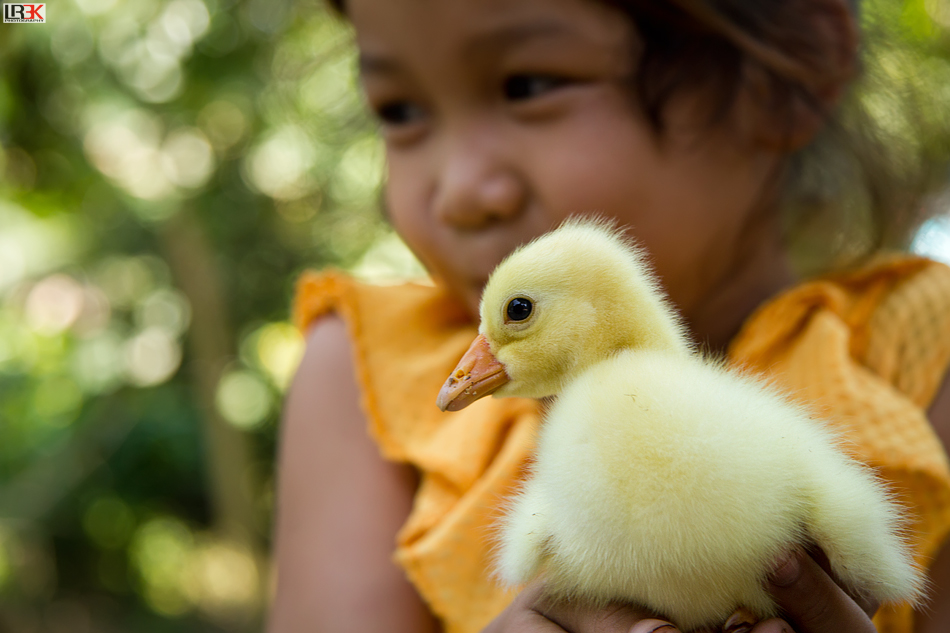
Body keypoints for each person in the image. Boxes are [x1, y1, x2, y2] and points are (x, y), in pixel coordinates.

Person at [266, 0, 950, 631]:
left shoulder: (926, 352)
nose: (462, 191)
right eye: (399, 110)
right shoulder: (365, 382)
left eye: (528, 85)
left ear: (782, 78)